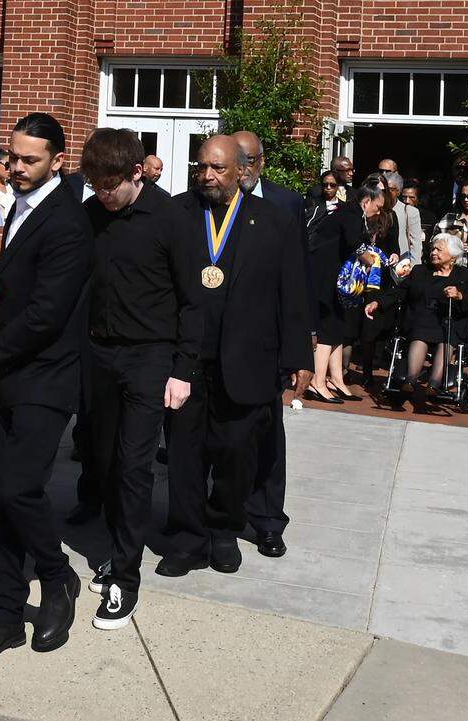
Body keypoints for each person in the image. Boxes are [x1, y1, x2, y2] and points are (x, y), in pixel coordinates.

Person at [0, 113, 92, 662]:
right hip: (10, 376)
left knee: (18, 490)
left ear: (59, 161)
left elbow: (46, 314)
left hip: (47, 377)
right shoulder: (20, 207)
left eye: (30, 160)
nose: (16, 168)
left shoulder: (67, 221)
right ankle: (6, 616)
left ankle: (57, 578)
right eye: (12, 157)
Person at [165, 135, 312, 576]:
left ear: (241, 172)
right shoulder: (177, 213)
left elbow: (293, 293)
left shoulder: (272, 221)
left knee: (235, 453)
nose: (207, 176)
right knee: (184, 456)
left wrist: (298, 355)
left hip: (248, 361)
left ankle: (224, 529)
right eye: (202, 167)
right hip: (187, 360)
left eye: (218, 169)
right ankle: (189, 538)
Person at [78, 128, 199, 628]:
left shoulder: (171, 219)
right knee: (102, 461)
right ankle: (115, 545)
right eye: (95, 187)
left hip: (150, 358)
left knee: (134, 466)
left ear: (136, 173)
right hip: (98, 355)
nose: (103, 196)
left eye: (111, 187)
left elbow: (194, 300)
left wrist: (183, 369)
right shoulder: (88, 215)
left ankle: (125, 579)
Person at [232, 130, 310, 558]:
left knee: (266, 438)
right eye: (233, 159)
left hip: (266, 345)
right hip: (218, 344)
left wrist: (299, 349)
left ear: (261, 161)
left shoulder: (286, 203)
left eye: (247, 160)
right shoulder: (206, 200)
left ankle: (266, 521)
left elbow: (296, 281)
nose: (240, 169)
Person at [365, 234, 468, 394]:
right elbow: (400, 291)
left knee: (447, 337)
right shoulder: (420, 271)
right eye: (432, 249)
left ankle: (433, 384)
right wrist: (378, 302)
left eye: (439, 250)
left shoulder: (467, 276)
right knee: (420, 333)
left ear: (453, 256)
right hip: (422, 318)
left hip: (451, 320)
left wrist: (460, 296)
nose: (433, 252)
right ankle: (411, 380)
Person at [307, 175, 388, 403]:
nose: (379, 212)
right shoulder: (351, 214)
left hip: (333, 277)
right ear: (366, 202)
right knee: (328, 326)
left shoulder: (352, 213)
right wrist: (373, 260)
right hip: (324, 277)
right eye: (378, 207)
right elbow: (355, 243)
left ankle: (336, 380)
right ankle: (318, 381)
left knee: (338, 325)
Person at [346, 174, 400, 391]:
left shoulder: (389, 216)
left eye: (382, 189)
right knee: (350, 324)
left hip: (378, 279)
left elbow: (394, 245)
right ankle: (342, 369)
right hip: (355, 274)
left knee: (370, 327)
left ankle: (367, 372)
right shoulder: (356, 214)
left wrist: (395, 255)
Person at [384, 170, 424, 263]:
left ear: (398, 191)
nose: (385, 192)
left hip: (401, 266)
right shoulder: (375, 209)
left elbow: (416, 244)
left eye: (390, 189)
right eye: (383, 189)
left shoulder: (410, 211)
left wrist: (414, 269)